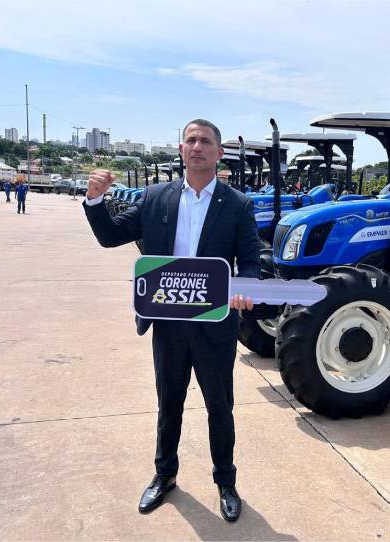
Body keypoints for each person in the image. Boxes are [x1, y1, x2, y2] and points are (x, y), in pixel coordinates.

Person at [83, 119, 261, 522]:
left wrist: (245, 285)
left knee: (220, 407)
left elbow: (250, 259)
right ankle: (164, 475)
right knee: (169, 404)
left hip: (215, 325)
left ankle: (226, 481)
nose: (197, 146)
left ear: (219, 153)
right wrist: (95, 201)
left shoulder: (238, 205)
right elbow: (110, 236)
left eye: (205, 141)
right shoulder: (154, 198)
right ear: (181, 150)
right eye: (190, 140)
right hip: (168, 323)